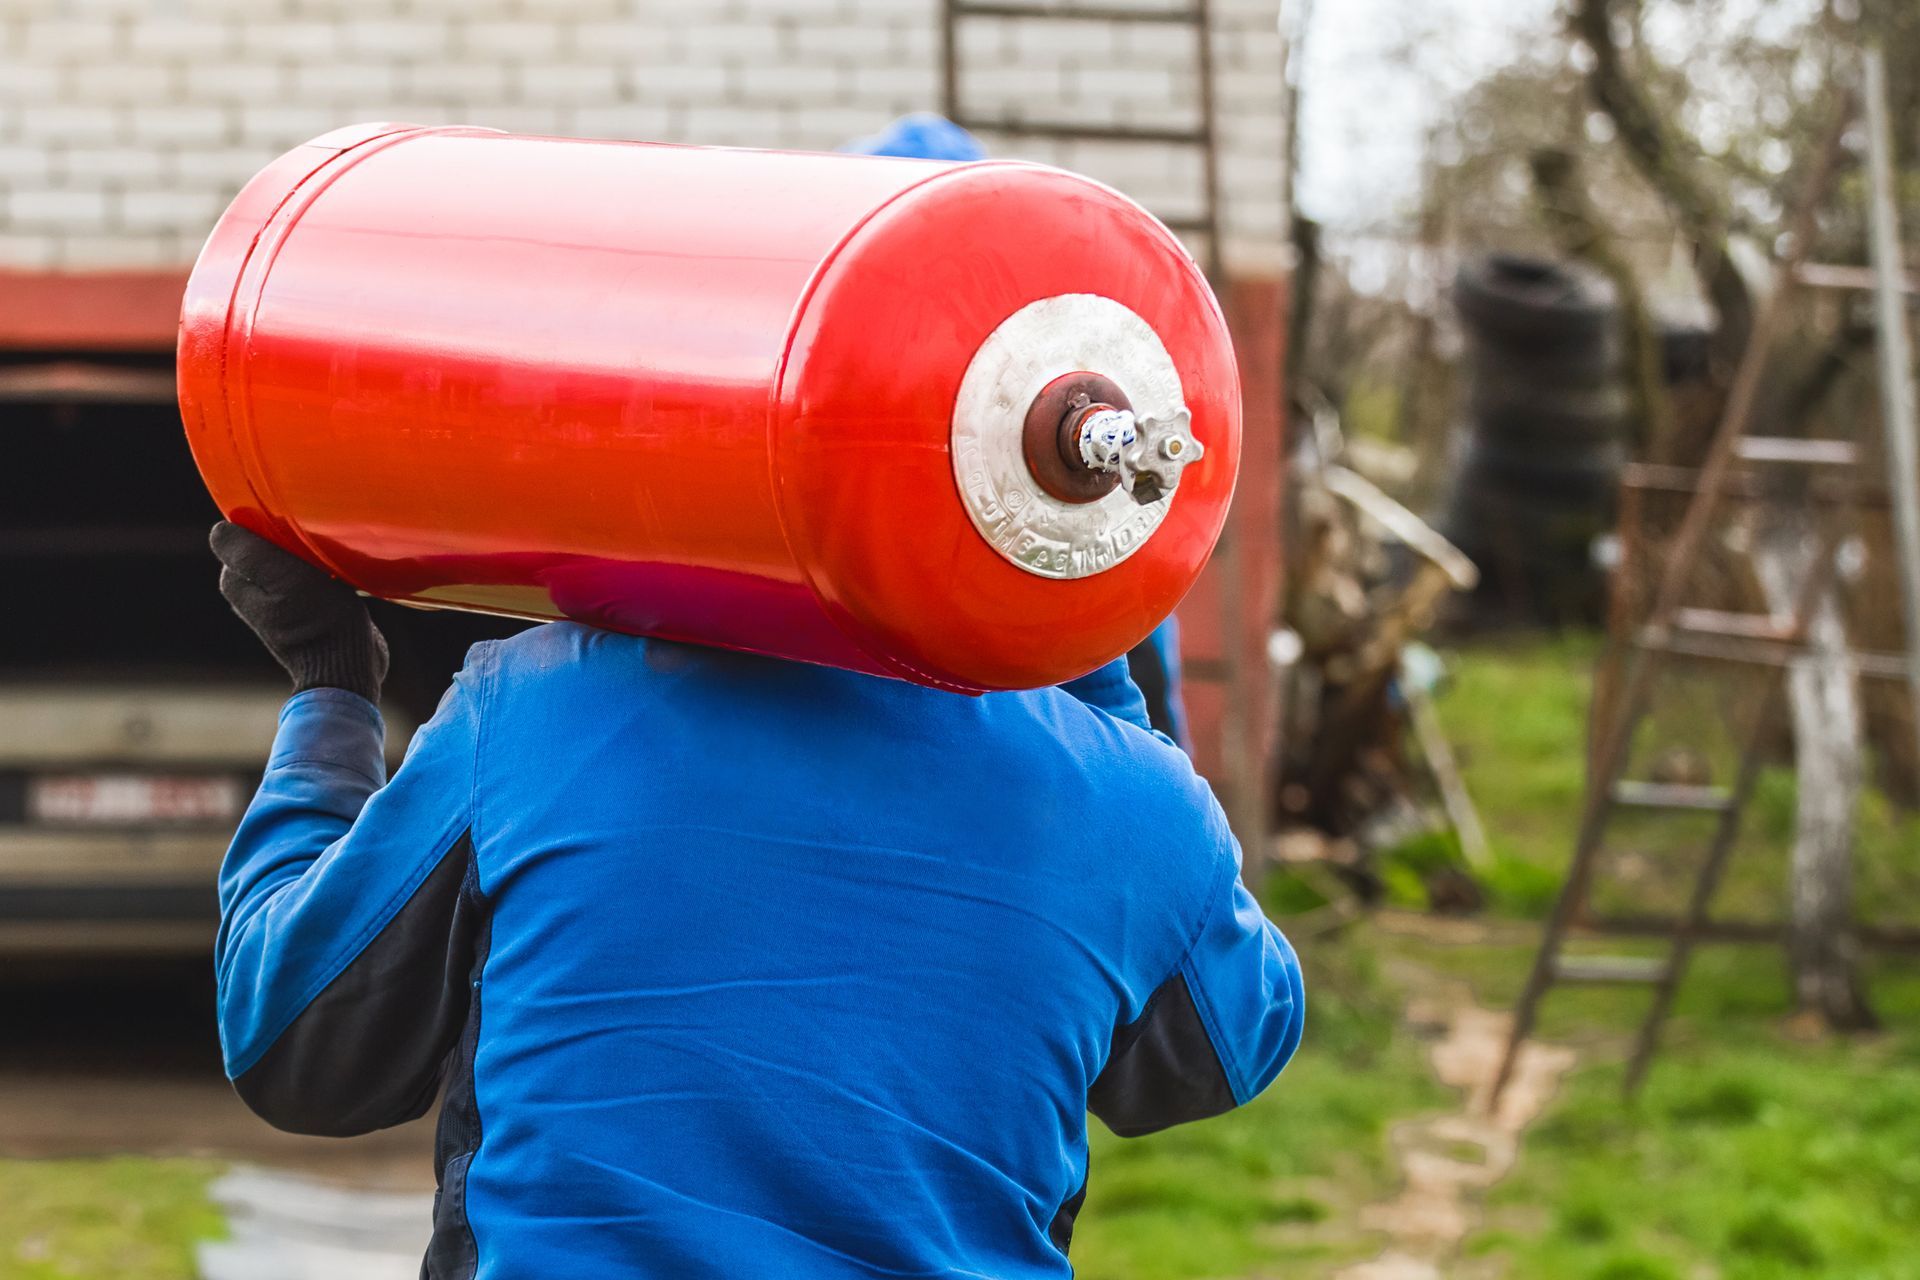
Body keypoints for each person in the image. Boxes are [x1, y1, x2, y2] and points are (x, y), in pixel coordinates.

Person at [209, 521, 1303, 1278]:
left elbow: (300, 1040)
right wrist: (1093, 642)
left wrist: (330, 687)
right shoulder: (1128, 803)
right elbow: (1223, 1047)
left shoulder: (535, 710)